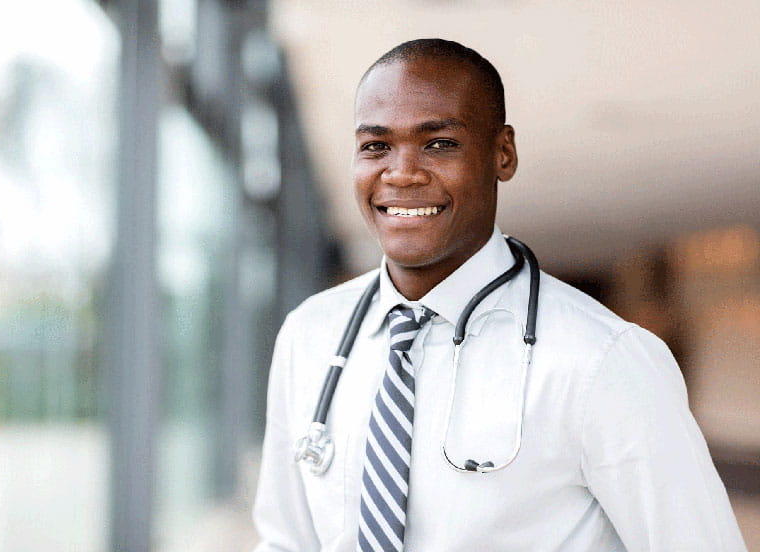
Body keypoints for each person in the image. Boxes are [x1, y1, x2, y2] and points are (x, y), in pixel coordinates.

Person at [252, 39, 747, 551]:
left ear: (502, 154)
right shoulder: (311, 334)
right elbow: (285, 542)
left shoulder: (602, 360)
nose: (401, 173)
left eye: (439, 143)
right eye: (376, 146)